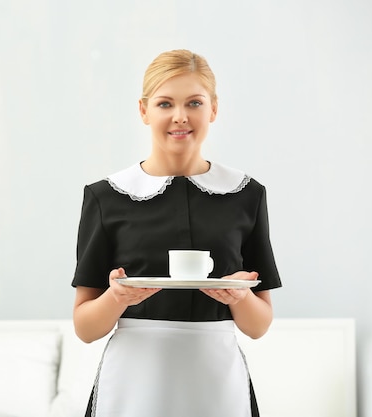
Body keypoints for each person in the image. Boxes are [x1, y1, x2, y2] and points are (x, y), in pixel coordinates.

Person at [71, 49, 282, 417]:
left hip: (216, 379)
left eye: (194, 103)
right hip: (133, 382)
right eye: (165, 103)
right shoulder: (106, 196)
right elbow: (85, 327)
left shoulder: (246, 195)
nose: (180, 117)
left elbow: (259, 325)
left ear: (213, 109)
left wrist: (237, 298)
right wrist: (118, 298)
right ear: (144, 110)